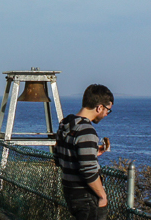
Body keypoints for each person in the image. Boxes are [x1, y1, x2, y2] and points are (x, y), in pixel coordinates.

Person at [54, 84, 114, 220]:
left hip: (70, 191)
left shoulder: (65, 124)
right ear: (99, 107)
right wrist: (102, 195)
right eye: (107, 110)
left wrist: (93, 152)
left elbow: (59, 157)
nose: (106, 114)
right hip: (86, 196)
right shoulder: (86, 130)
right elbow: (88, 170)